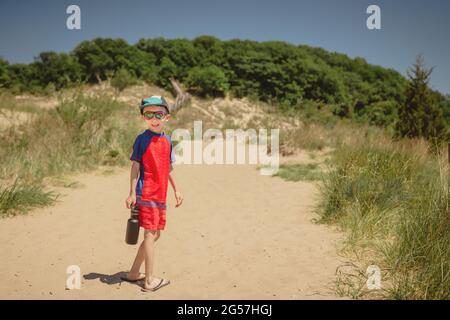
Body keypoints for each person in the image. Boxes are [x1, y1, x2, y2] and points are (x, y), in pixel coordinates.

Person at [124, 95, 183, 292]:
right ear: (143, 117)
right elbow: (135, 166)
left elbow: (168, 168)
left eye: (159, 114)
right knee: (150, 234)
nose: (154, 118)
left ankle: (134, 273)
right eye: (149, 114)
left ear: (167, 116)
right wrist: (132, 193)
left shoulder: (167, 140)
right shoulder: (142, 139)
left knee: (155, 234)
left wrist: (177, 189)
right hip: (146, 193)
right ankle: (149, 280)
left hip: (160, 194)